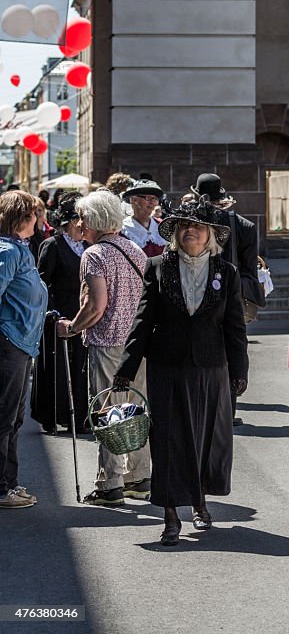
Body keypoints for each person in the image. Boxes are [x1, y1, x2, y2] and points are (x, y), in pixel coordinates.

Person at [112, 198, 249, 546]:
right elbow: (143, 321)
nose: (191, 231)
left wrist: (239, 370)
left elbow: (235, 328)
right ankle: (171, 516)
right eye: (184, 226)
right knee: (169, 442)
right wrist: (127, 368)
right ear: (175, 233)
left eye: (198, 227)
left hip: (210, 368)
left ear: (210, 235)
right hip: (167, 366)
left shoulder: (226, 272)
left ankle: (200, 502)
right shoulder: (158, 267)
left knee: (204, 440)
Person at [57, 190, 152, 506]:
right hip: (137, 345)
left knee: (109, 413)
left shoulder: (94, 255)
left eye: (82, 218)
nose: (79, 224)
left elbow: (96, 306)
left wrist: (72, 327)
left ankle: (109, 483)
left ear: (95, 221)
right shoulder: (134, 250)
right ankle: (138, 477)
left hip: (108, 342)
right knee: (135, 410)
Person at [190, 174, 262, 425]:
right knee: (233, 348)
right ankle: (227, 411)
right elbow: (250, 269)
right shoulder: (244, 225)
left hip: (194, 293)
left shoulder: (190, 222)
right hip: (231, 298)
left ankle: (199, 408)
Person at [0, 191, 48, 508]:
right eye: (36, 214)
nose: (40, 220)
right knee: (4, 417)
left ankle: (9, 483)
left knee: (14, 417)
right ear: (23, 217)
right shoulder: (7, 251)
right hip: (9, 342)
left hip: (21, 343)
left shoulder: (21, 249)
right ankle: (3, 487)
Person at [33, 193, 89, 434]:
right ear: (68, 222)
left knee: (80, 366)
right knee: (58, 367)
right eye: (78, 219)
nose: (82, 225)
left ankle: (79, 417)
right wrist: (52, 313)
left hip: (83, 313)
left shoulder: (88, 246)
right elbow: (42, 282)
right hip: (58, 313)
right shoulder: (52, 245)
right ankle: (54, 415)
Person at [120, 178, 167, 257]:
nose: (152, 202)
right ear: (134, 200)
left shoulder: (161, 226)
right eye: (148, 198)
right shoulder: (123, 230)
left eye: (155, 199)